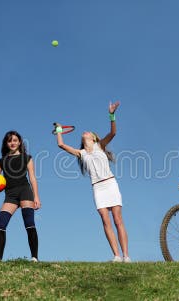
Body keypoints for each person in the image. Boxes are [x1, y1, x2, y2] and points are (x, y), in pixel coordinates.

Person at [55, 101, 130, 262]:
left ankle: (126, 256)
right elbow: (61, 144)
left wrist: (112, 114)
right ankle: (117, 256)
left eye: (88, 131)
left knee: (118, 219)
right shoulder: (80, 153)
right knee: (105, 219)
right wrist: (60, 130)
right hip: (98, 188)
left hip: (110, 184)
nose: (85, 132)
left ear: (94, 137)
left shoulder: (100, 145)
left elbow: (113, 132)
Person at [0, 131, 41, 262]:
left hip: (25, 191)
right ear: (6, 143)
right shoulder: (2, 161)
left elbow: (32, 178)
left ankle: (34, 257)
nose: (12, 143)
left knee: (29, 223)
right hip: (10, 194)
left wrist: (36, 196)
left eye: (15, 140)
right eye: (9, 141)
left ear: (20, 142)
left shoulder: (27, 158)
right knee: (0, 223)